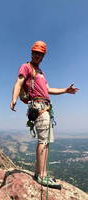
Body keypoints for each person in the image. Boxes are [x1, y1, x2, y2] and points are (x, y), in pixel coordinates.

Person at [10, 41, 79, 186]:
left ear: (43, 56)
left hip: (45, 107)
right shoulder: (26, 67)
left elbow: (48, 90)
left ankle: (39, 173)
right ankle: (41, 175)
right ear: (31, 53)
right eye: (35, 53)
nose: (37, 56)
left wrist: (65, 90)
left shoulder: (41, 72)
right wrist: (14, 99)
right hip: (39, 107)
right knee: (43, 141)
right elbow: (19, 82)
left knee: (45, 142)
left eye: (40, 54)